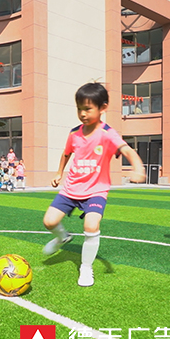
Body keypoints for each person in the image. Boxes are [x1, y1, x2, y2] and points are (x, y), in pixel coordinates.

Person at [42, 82, 145, 287]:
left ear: (102, 108)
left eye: (88, 109)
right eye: (79, 108)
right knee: (49, 222)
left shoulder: (107, 133)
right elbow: (66, 153)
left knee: (91, 225)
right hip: (71, 188)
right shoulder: (74, 133)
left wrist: (138, 168)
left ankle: (86, 267)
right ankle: (62, 238)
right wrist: (59, 173)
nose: (82, 114)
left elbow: (126, 150)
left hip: (96, 190)